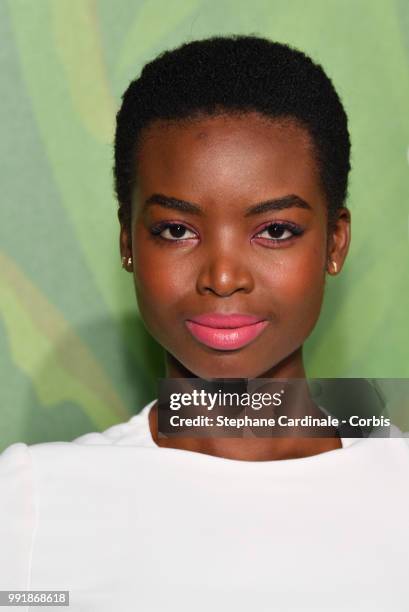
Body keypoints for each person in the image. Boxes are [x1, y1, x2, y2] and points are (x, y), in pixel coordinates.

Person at [0, 35, 408, 611]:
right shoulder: (30, 505)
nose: (221, 277)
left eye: (275, 231)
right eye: (175, 230)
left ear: (334, 243)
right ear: (128, 241)